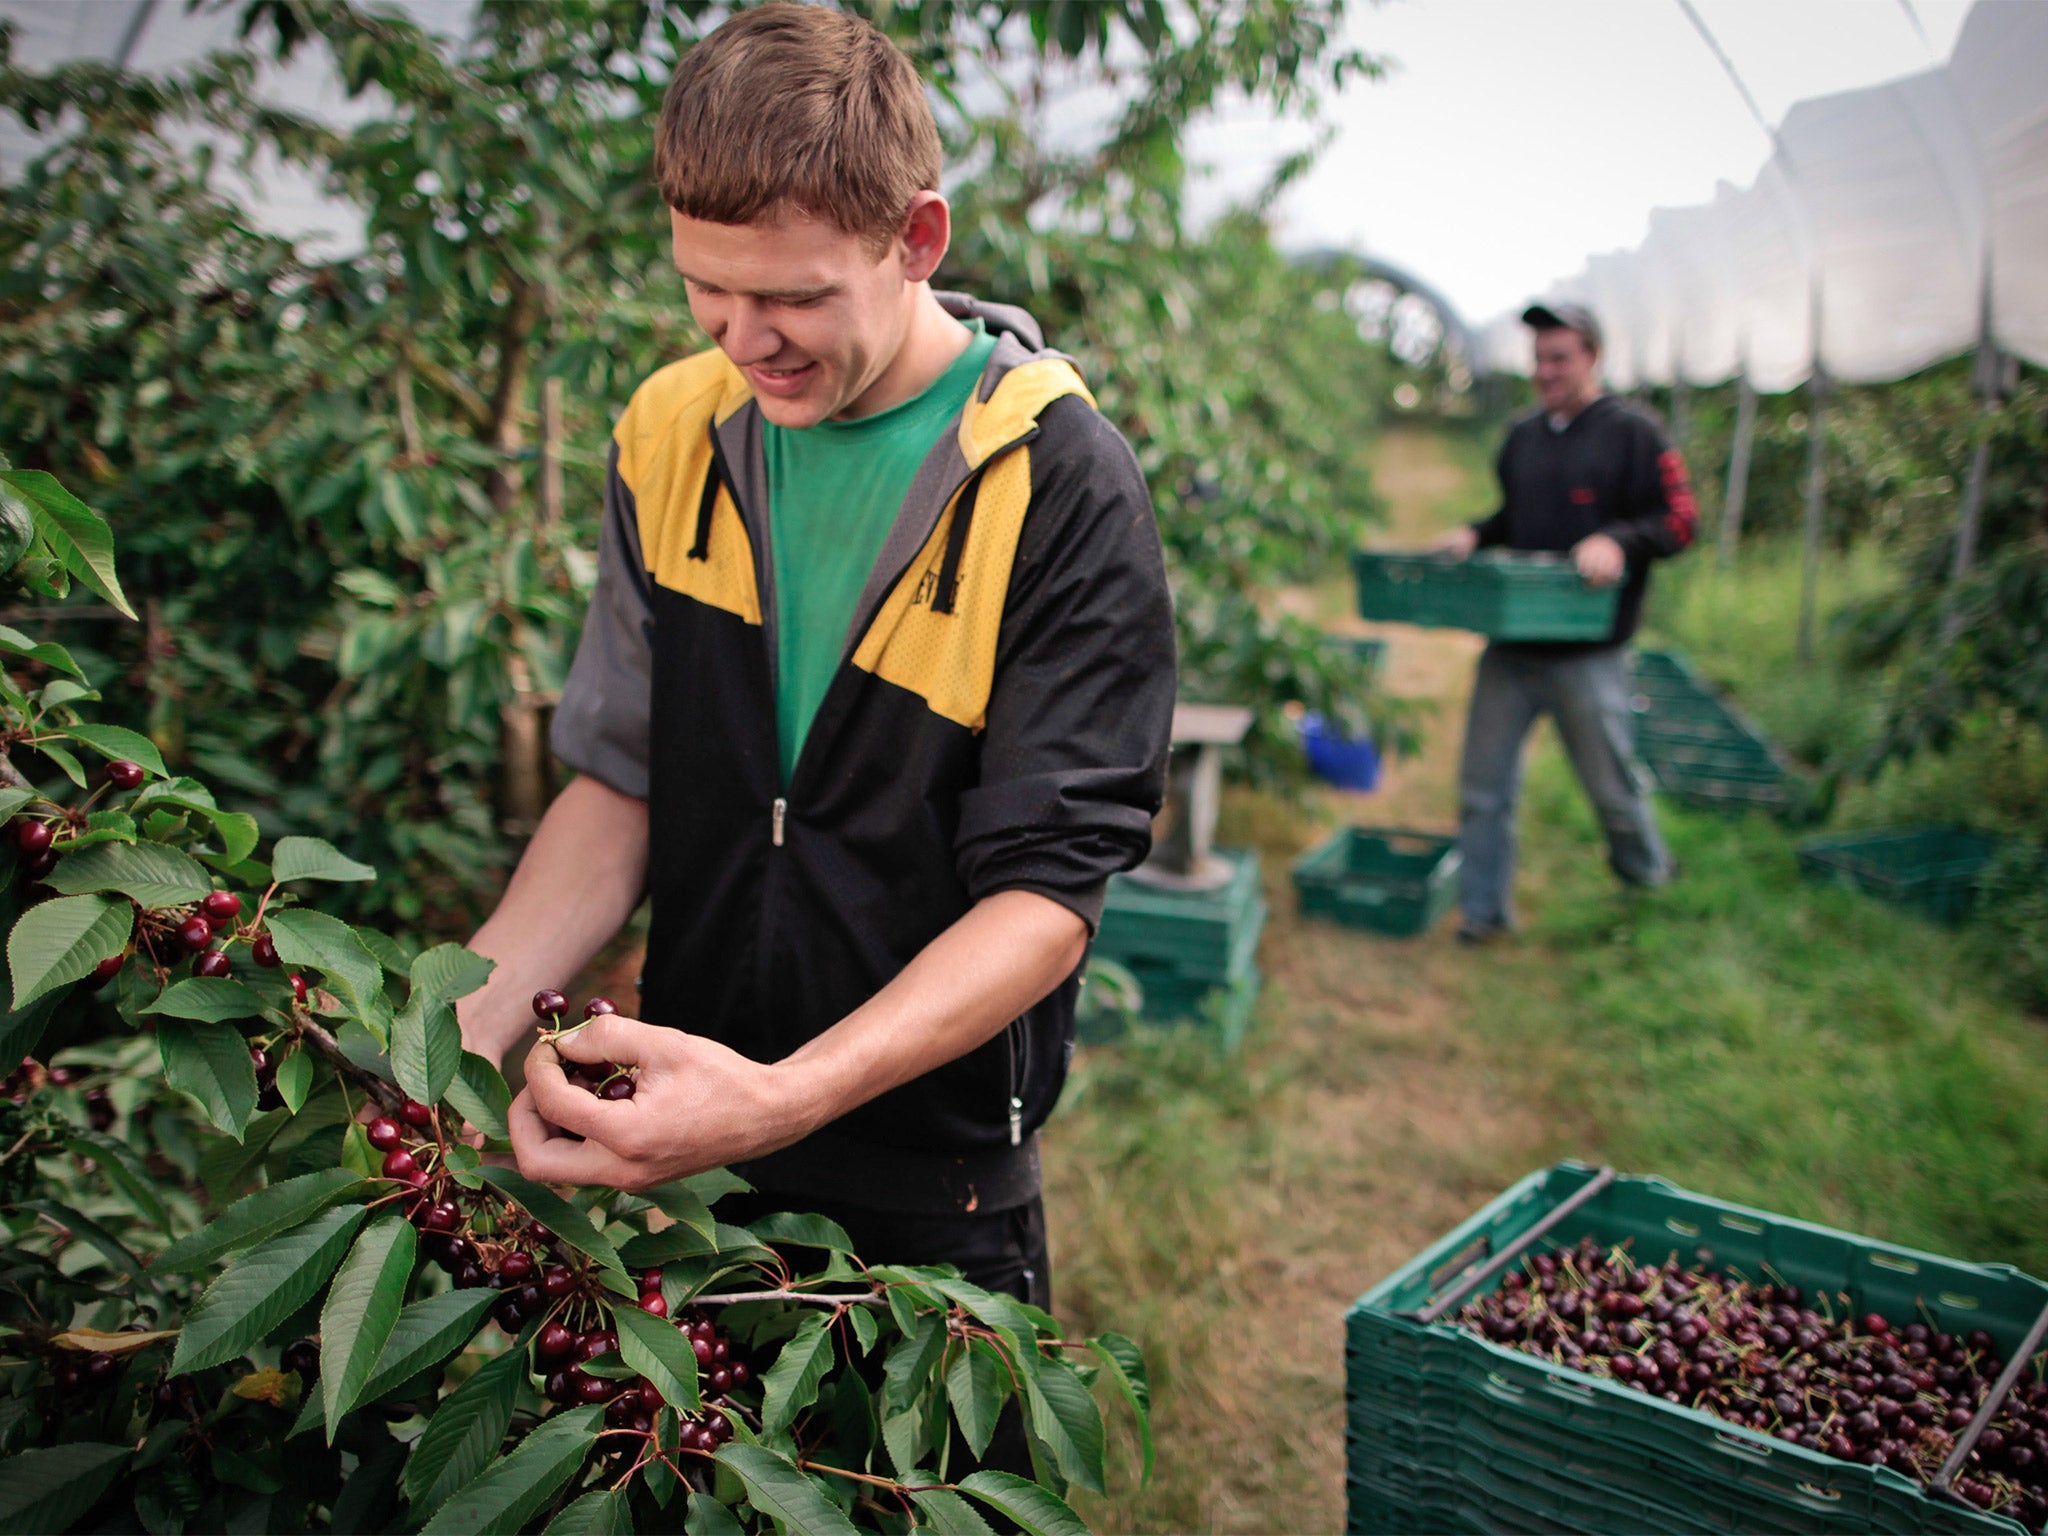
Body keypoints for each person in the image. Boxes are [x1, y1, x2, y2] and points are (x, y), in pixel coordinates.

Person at [453, 4, 1177, 1318]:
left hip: (927, 1179)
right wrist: (460, 1018)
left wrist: (786, 1099)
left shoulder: (1053, 479)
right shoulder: (673, 429)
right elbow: (622, 780)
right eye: (706, 288)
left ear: (917, 239)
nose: (744, 339)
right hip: (682, 1128)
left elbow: (1047, 895)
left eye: (794, 297)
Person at [1429, 302, 1696, 943]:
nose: (1546, 371)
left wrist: (1620, 541)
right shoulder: (1524, 437)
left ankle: (1648, 882)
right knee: (1483, 790)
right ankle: (1484, 915)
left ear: (1593, 358)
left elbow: (1681, 520)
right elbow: (1515, 520)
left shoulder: (1633, 434)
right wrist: (1475, 534)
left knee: (1612, 789)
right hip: (1513, 647)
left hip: (1588, 651)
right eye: (1539, 358)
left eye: (1560, 358)